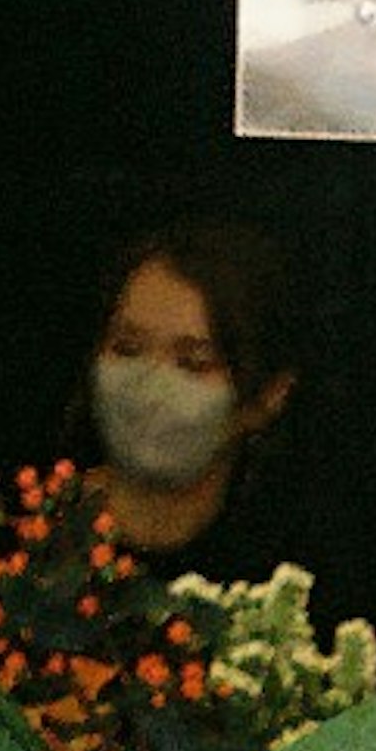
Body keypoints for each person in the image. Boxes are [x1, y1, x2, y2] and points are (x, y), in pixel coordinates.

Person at [78, 218, 305, 568]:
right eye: (126, 348)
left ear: (270, 395)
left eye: (193, 363)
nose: (149, 386)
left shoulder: (294, 566)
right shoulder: (20, 535)